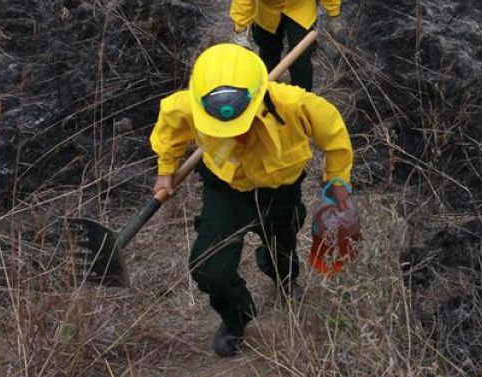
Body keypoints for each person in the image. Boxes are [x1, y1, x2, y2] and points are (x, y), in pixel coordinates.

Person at [149, 43, 354, 357]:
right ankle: (236, 319)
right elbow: (170, 127)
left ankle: (284, 278)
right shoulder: (188, 104)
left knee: (281, 244)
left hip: (281, 189)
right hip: (226, 189)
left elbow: (335, 135)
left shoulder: (295, 104)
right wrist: (166, 168)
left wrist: (337, 178)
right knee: (209, 268)